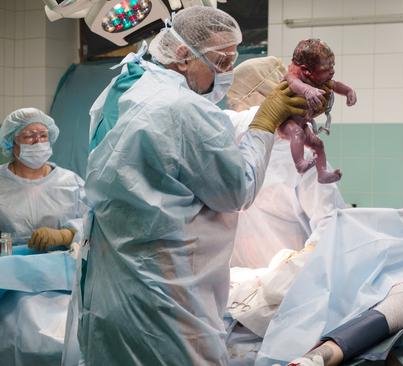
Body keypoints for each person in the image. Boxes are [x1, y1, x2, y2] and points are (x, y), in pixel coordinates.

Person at [77, 7, 311, 366]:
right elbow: (238, 189)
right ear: (184, 54)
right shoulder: (181, 108)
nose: (228, 73)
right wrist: (265, 119)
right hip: (166, 299)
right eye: (221, 61)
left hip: (113, 288)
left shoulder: (126, 87)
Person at [226, 56, 347, 268]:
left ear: (257, 96)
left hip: (291, 287)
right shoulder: (231, 146)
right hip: (241, 285)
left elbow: (333, 226)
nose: (235, 108)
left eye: (236, 101)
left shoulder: (302, 157)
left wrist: (290, 272)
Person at [0, 107, 85, 251]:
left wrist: (65, 235)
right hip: (9, 269)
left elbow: (93, 222)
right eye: (29, 136)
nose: (38, 141)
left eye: (43, 135)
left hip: (60, 267)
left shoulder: (71, 182)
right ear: (11, 142)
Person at [279, 38, 357, 184]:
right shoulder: (292, 77)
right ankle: (300, 164)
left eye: (332, 66)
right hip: (286, 124)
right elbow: (295, 85)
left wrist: (348, 91)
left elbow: (336, 85)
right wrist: (307, 90)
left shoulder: (320, 80)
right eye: (326, 69)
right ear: (306, 70)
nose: (332, 71)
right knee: (297, 133)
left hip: (302, 122)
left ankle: (322, 174)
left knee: (318, 145)